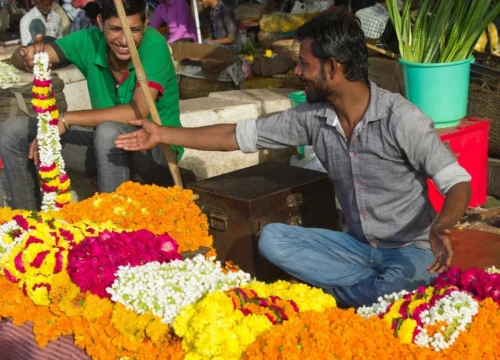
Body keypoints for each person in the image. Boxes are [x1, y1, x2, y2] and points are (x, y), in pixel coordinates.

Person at [115, 12, 472, 308]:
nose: (297, 72)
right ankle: (370, 294)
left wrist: (442, 226)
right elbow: (235, 136)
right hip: (355, 249)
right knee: (272, 240)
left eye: (305, 64)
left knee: (398, 280)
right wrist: (162, 134)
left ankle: (348, 294)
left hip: (409, 249)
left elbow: (457, 181)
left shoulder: (400, 118)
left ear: (333, 67)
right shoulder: (314, 116)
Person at [0, 0, 183, 211]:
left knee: (107, 131)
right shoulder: (89, 39)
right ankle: (29, 225)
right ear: (100, 22)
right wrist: (25, 55)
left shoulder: (154, 45)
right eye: (115, 29)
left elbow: (137, 111)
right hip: (106, 148)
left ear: (146, 24)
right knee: (13, 131)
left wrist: (65, 120)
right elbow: (34, 55)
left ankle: (111, 232)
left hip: (155, 154)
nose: (124, 40)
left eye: (134, 30)